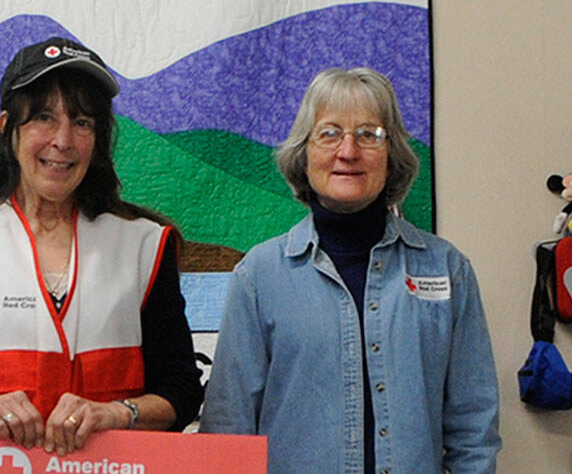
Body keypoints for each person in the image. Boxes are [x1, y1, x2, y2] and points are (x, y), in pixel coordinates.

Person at [0, 37, 204, 455]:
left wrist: (117, 414)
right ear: (6, 128)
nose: (63, 140)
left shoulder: (143, 246)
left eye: (83, 122)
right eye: (44, 118)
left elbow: (180, 393)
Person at [200, 67, 501, 473]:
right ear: (303, 154)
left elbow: (473, 429)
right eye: (329, 133)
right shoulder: (259, 276)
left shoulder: (448, 268)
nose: (348, 151)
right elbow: (228, 432)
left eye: (369, 134)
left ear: (392, 154)